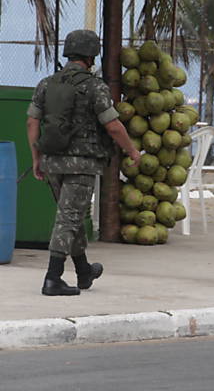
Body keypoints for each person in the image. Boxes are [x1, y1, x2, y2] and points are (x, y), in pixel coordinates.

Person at [26, 29, 141, 296]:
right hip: (82, 164)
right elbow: (112, 126)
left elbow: (32, 121)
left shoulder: (47, 83)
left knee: (72, 216)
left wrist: (36, 158)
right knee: (68, 218)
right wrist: (132, 151)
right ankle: (52, 278)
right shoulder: (94, 87)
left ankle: (83, 271)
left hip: (52, 160)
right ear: (91, 56)